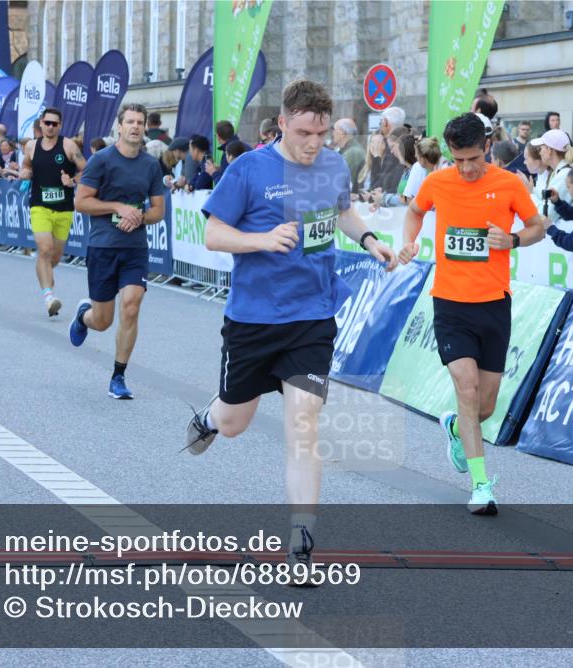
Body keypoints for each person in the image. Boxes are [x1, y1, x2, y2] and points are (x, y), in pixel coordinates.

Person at [184, 79, 397, 577]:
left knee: (304, 426)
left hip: (312, 318)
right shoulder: (249, 168)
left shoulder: (331, 164)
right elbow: (212, 233)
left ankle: (301, 547)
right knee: (235, 423)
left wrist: (368, 239)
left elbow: (342, 212)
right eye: (304, 132)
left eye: (321, 134)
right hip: (254, 319)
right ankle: (209, 420)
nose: (313, 143)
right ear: (282, 124)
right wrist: (261, 239)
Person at [398, 113, 545, 515]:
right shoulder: (438, 182)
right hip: (449, 302)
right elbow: (414, 212)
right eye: (458, 159)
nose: (465, 168)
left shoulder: (509, 184)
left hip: (494, 303)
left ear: (487, 147)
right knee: (466, 389)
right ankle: (481, 486)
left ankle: (454, 428)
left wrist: (513, 239)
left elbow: (538, 226)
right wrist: (409, 242)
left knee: (485, 406)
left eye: (472, 159)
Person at [69, 103, 166, 399]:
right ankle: (84, 316)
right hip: (103, 246)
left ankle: (118, 376)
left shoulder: (151, 165)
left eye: (140, 122)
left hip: (134, 247)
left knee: (132, 305)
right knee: (103, 321)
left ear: (145, 128)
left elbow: (158, 211)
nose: (136, 127)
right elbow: (81, 202)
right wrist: (117, 207)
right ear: (119, 127)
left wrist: (139, 216)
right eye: (130, 122)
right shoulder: (101, 160)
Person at [20, 107, 86, 317]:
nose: (50, 127)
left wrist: (73, 180)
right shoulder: (31, 146)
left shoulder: (68, 145)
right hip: (39, 206)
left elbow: (86, 169)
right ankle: (49, 296)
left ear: (60, 125)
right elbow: (26, 165)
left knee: (54, 257)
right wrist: (25, 172)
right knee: (45, 249)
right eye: (47, 122)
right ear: (41, 123)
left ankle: (46, 277)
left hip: (64, 209)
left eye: (54, 124)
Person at [531, 129, 573, 224]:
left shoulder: (564, 175)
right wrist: (532, 190)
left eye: (540, 149)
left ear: (550, 150)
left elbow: (547, 215)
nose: (539, 153)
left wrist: (530, 195)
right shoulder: (561, 171)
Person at [331, 118, 365, 192]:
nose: (332, 133)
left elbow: (340, 184)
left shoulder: (352, 153)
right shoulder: (349, 151)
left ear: (343, 133)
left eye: (334, 129)